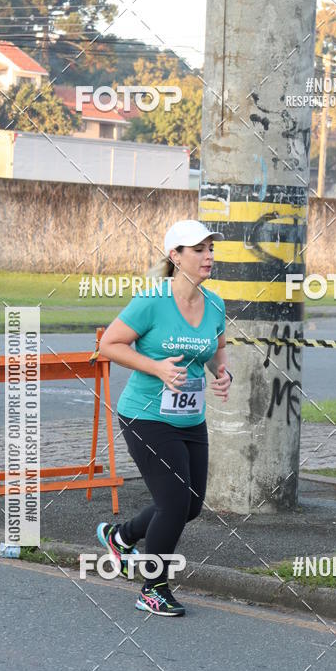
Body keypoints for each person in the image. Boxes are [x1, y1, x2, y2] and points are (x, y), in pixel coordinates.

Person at [96, 220, 232, 617]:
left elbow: (217, 349)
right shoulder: (153, 300)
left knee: (189, 506)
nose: (208, 256)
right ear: (176, 256)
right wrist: (157, 368)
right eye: (199, 249)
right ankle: (152, 589)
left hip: (190, 417)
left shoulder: (215, 304)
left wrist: (222, 374)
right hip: (146, 415)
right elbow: (109, 345)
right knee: (173, 504)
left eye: (210, 248)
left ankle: (120, 537)